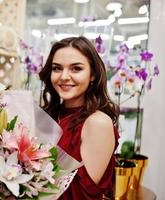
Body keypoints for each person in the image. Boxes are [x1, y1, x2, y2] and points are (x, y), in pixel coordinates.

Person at [39, 36, 120, 200]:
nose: (64, 76)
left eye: (76, 69)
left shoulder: (97, 123)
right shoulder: (49, 116)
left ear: (92, 75)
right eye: (57, 68)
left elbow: (82, 195)